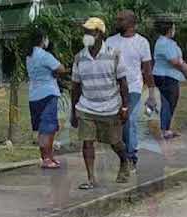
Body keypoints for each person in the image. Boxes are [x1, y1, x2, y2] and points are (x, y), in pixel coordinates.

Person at [70, 17, 130, 190]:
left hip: (110, 107)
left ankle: (124, 161)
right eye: (85, 31)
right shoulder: (79, 58)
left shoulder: (114, 54)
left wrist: (125, 107)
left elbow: (123, 83)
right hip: (86, 107)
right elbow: (75, 87)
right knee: (87, 142)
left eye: (91, 31)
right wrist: (74, 111)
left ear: (99, 34)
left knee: (115, 142)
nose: (86, 35)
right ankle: (91, 178)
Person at [106, 10, 156, 171]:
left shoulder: (142, 42)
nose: (117, 21)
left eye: (121, 19)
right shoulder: (110, 41)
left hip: (133, 89)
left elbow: (147, 70)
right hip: (114, 90)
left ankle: (131, 157)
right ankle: (124, 155)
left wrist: (151, 94)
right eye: (117, 19)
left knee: (129, 121)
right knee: (117, 125)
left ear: (131, 23)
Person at [26, 28, 66, 169]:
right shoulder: (45, 55)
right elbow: (61, 68)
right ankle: (47, 159)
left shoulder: (29, 56)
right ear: (43, 39)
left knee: (44, 129)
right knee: (48, 128)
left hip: (34, 95)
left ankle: (47, 157)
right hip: (48, 93)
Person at [152, 20, 187, 139]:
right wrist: (186, 68)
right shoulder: (164, 43)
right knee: (169, 103)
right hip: (166, 76)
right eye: (174, 28)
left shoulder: (166, 42)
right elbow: (174, 61)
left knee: (168, 102)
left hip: (168, 75)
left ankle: (166, 128)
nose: (174, 30)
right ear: (169, 30)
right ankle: (165, 130)